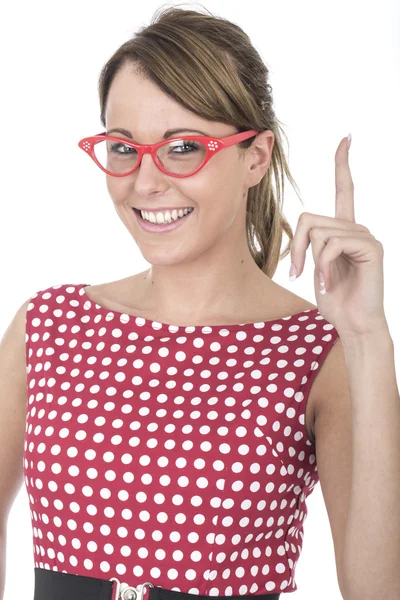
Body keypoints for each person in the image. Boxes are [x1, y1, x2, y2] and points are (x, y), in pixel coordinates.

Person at [1, 5, 398, 600]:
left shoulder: (320, 353)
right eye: (122, 146)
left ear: (255, 158)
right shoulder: (48, 327)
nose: (146, 179)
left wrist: (368, 338)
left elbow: (377, 589)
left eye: (183, 147)